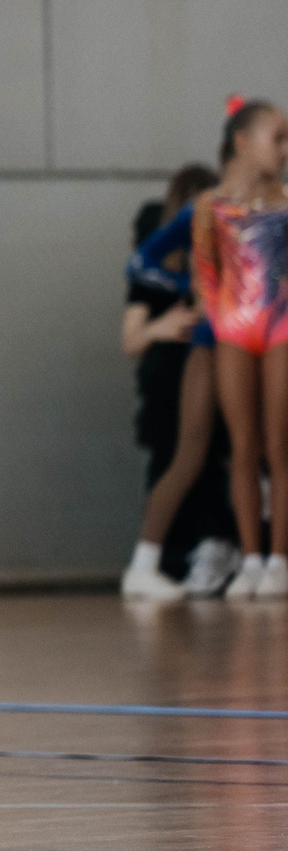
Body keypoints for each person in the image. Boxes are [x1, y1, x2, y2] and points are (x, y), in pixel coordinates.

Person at [119, 162, 237, 601]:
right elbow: (140, 271)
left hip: (229, 350)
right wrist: (167, 316)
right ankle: (157, 559)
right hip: (181, 368)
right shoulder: (172, 246)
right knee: (188, 454)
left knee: (239, 455)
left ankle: (243, 552)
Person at [191, 98, 288, 601]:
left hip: (280, 327)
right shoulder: (211, 206)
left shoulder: (285, 201)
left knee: (279, 445)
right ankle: (250, 558)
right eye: (279, 138)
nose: (286, 150)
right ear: (242, 143)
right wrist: (221, 318)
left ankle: (279, 558)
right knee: (243, 447)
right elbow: (204, 270)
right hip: (235, 329)